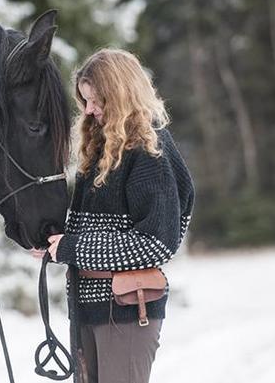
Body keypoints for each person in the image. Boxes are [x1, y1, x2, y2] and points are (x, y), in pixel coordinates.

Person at [33, 48, 195, 383]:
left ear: (121, 94)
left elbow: (156, 243)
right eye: (85, 101)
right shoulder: (102, 147)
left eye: (97, 101)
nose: (89, 111)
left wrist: (72, 248)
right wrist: (52, 240)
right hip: (88, 308)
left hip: (126, 314)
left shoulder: (150, 152)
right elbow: (95, 226)